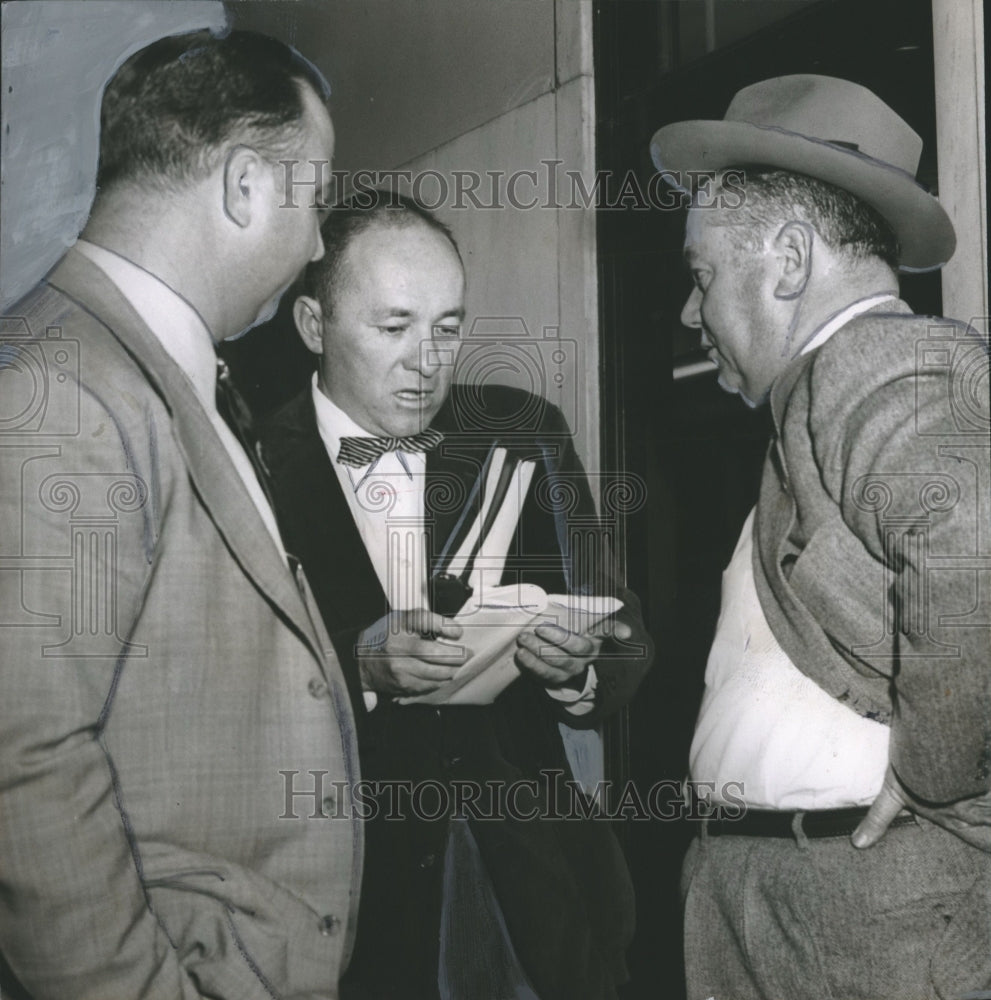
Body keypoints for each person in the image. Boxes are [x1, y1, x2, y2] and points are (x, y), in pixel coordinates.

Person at [0, 29, 361, 999]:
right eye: (316, 203)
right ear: (246, 185)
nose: (320, 245)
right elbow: (21, 760)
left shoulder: (144, 369)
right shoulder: (64, 387)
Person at [258, 191, 653, 1000]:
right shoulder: (250, 464)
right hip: (346, 894)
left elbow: (627, 637)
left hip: (537, 887)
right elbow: (219, 693)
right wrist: (357, 664)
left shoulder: (522, 431)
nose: (427, 361)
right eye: (393, 327)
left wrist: (575, 669)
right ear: (311, 326)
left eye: (446, 328)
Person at [649, 75, 991, 999]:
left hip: (859, 904)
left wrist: (931, 776)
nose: (690, 312)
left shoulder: (886, 363)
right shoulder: (824, 395)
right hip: (789, 896)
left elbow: (976, 550)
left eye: (701, 275)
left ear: (789, 261)